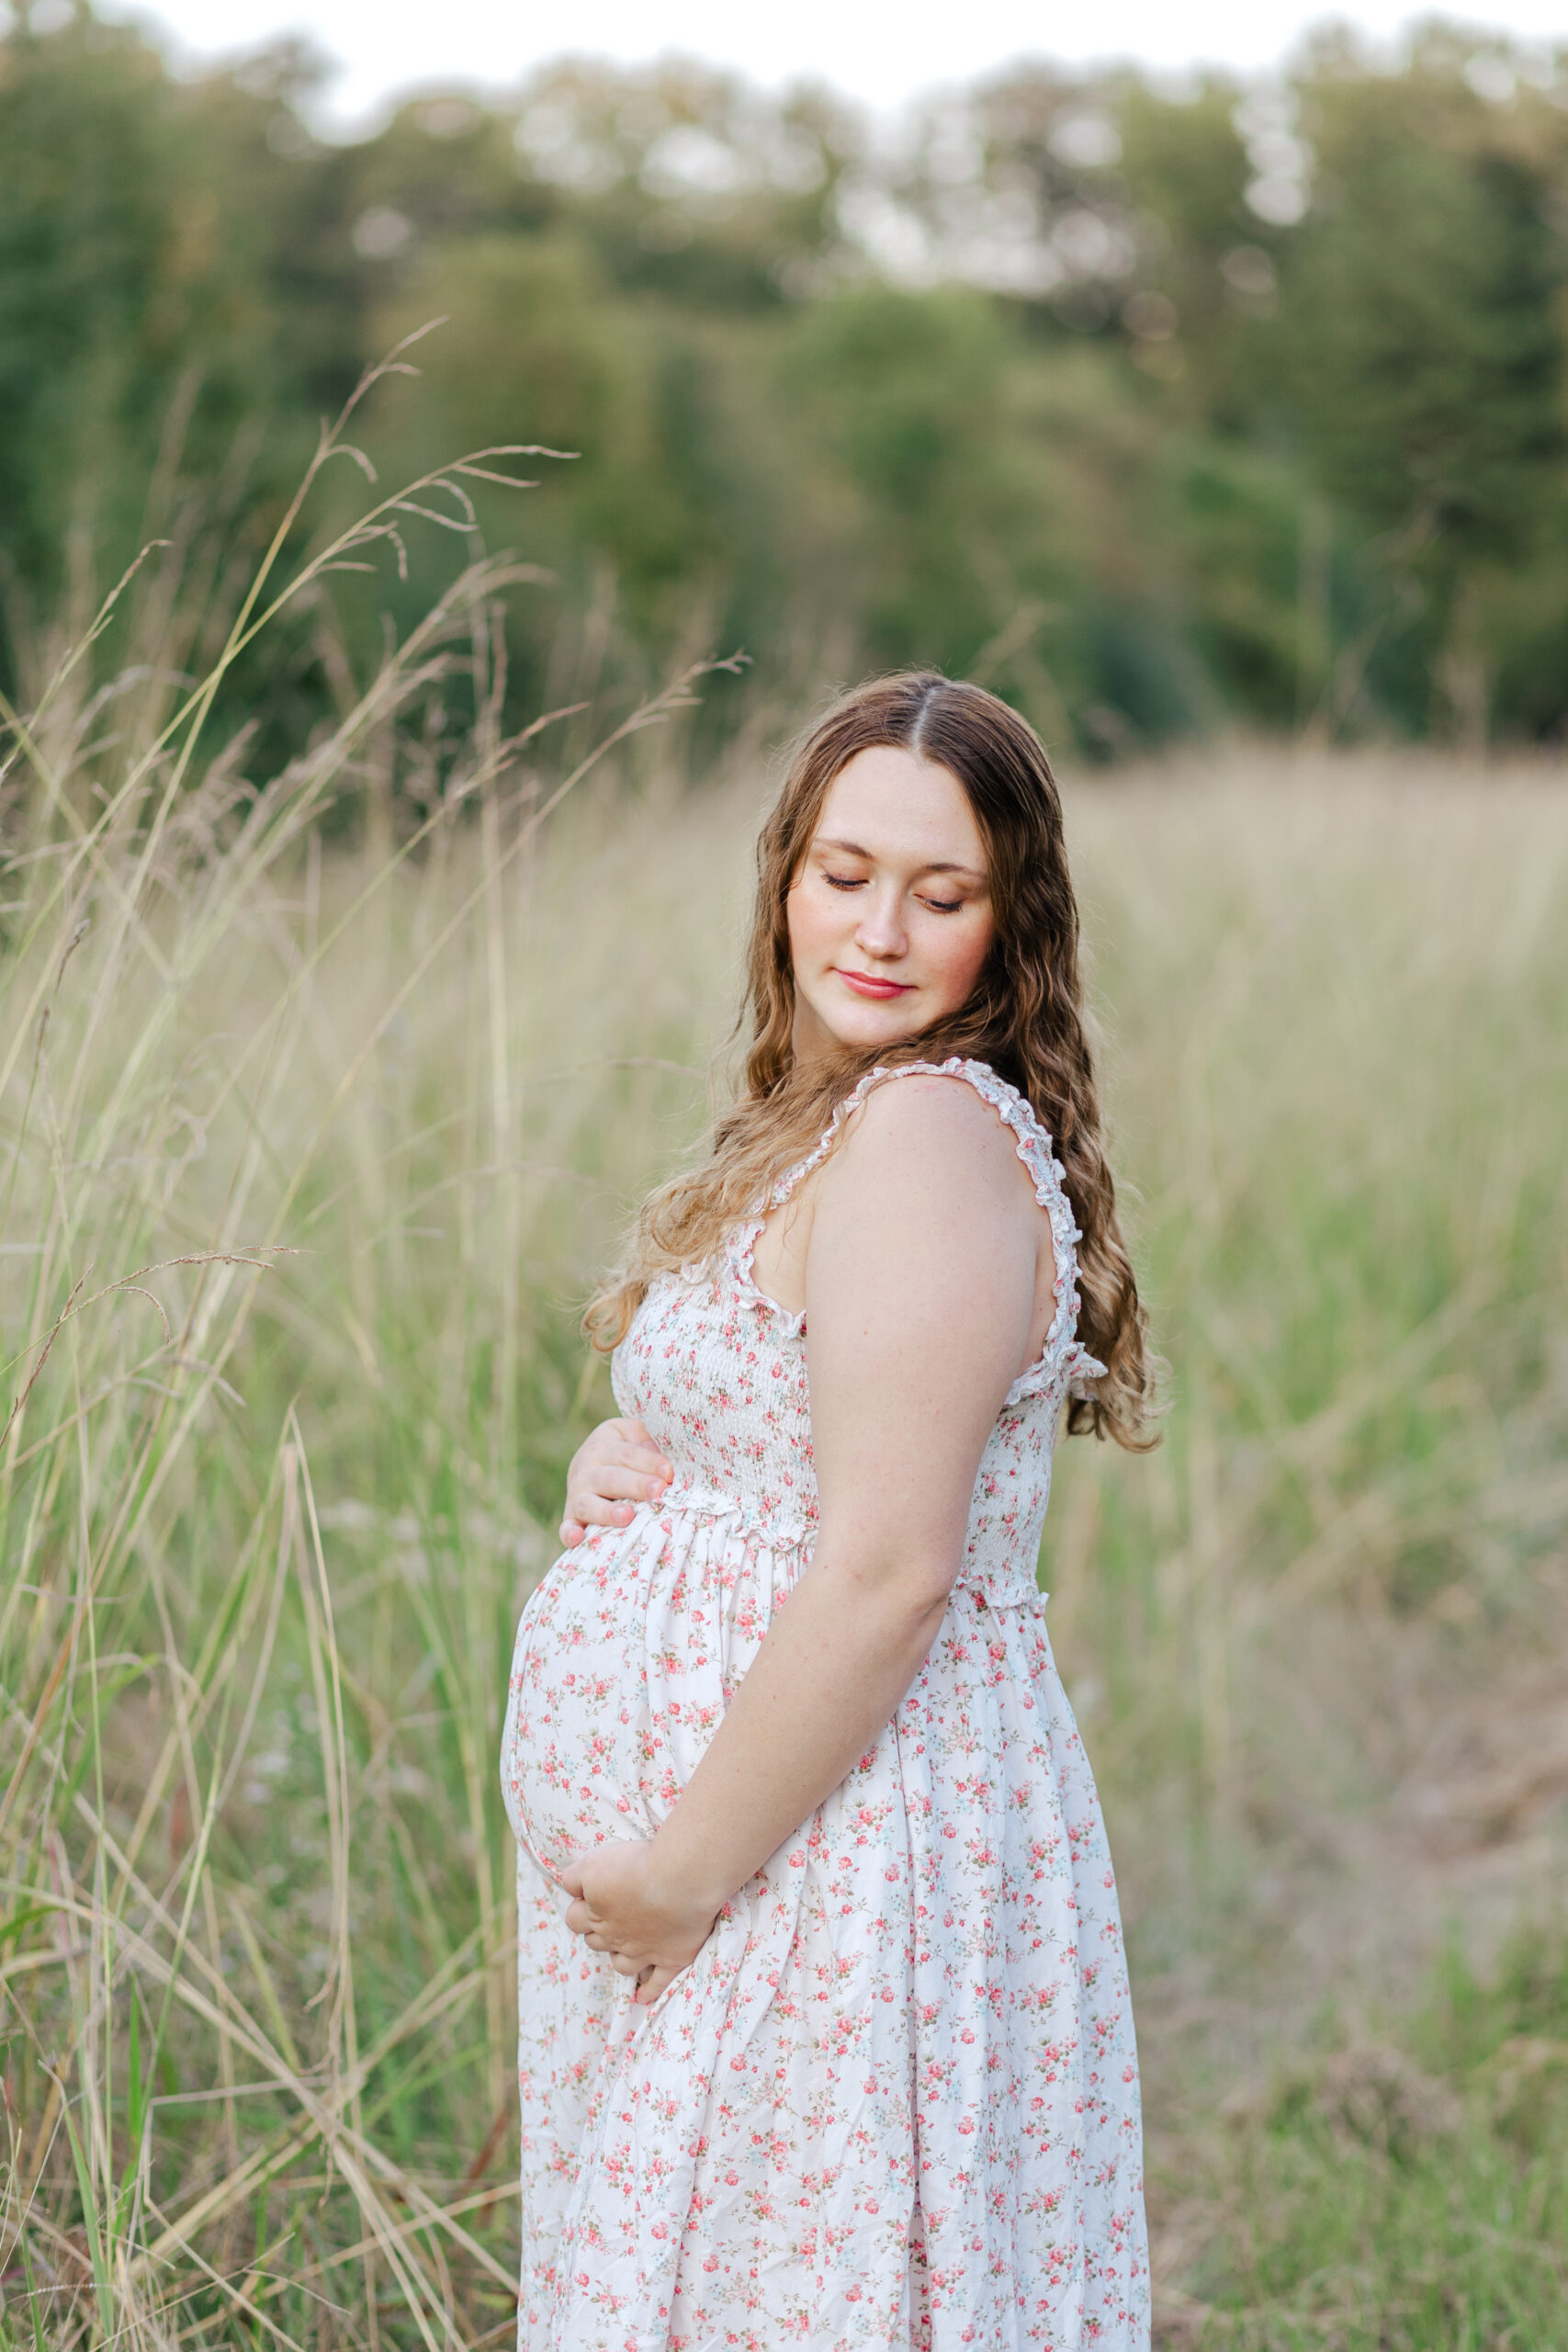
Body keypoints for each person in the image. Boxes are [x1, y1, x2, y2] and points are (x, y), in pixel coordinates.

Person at [500, 672, 1156, 2350]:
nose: (877, 928)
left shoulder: (928, 1138)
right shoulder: (841, 1120)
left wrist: (682, 1875)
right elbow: (811, 1441)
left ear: (1011, 926)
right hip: (770, 1846)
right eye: (842, 873)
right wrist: (643, 1464)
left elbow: (887, 1566)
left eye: (941, 895)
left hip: (828, 1853)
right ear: (786, 871)